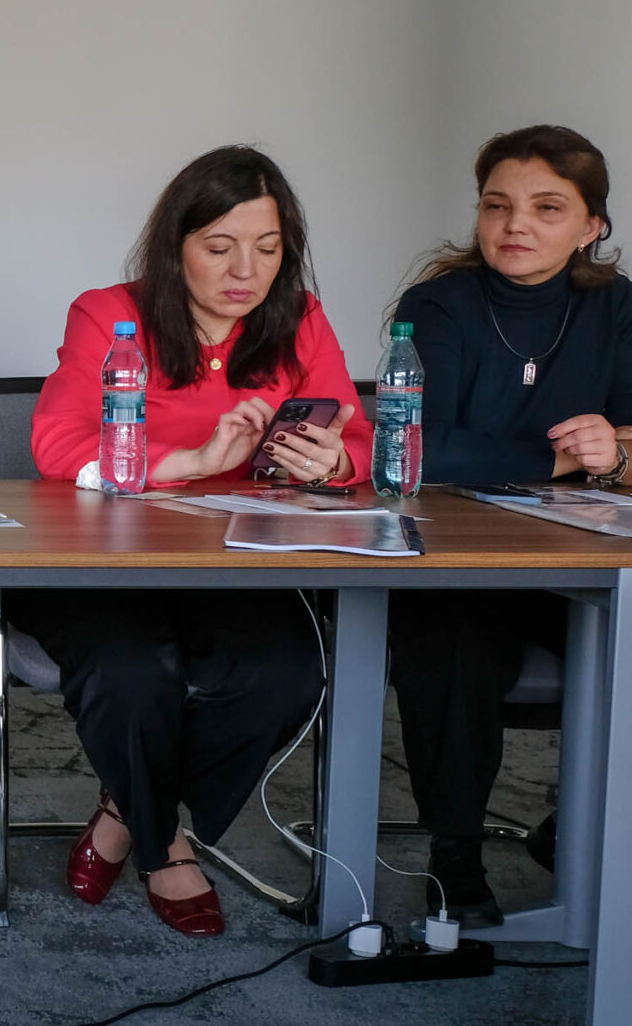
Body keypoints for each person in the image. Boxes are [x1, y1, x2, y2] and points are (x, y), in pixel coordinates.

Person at [387, 125, 632, 927]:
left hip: (574, 560)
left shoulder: (615, 305)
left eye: (547, 207)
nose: (516, 224)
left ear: (592, 226)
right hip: (451, 560)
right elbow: (420, 445)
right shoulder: (439, 304)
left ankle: (606, 834)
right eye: (496, 205)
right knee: (458, 641)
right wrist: (563, 458)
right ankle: (455, 856)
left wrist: (613, 457)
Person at [19, 145, 371, 938]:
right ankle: (165, 844)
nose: (246, 270)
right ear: (175, 244)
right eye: (220, 247)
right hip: (100, 558)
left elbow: (360, 434)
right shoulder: (109, 313)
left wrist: (333, 459)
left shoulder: (300, 320)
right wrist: (189, 462)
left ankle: (127, 808)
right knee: (132, 672)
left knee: (287, 674)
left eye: (268, 248)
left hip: (233, 559)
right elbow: (56, 442)